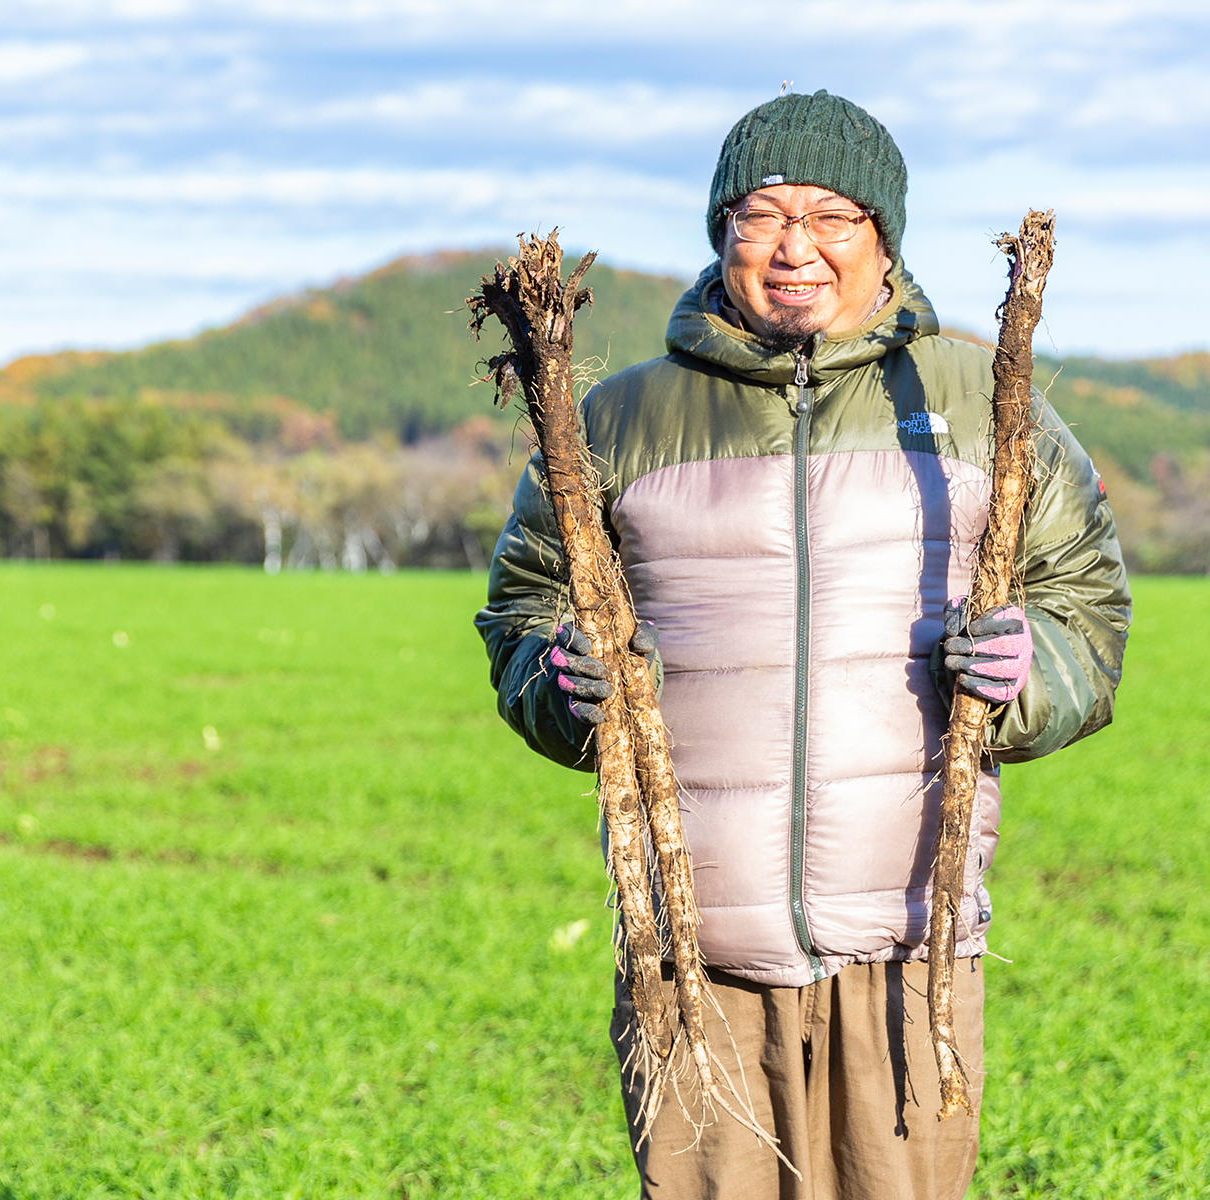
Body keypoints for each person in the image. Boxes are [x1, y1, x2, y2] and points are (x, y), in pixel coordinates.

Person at [474, 90, 1130, 1199]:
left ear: (883, 237)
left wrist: (1033, 673)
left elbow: (1084, 602)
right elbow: (526, 607)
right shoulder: (621, 416)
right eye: (762, 214)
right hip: (687, 947)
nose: (795, 247)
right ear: (720, 232)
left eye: (832, 215)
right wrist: (559, 680)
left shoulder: (974, 397)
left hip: (909, 947)